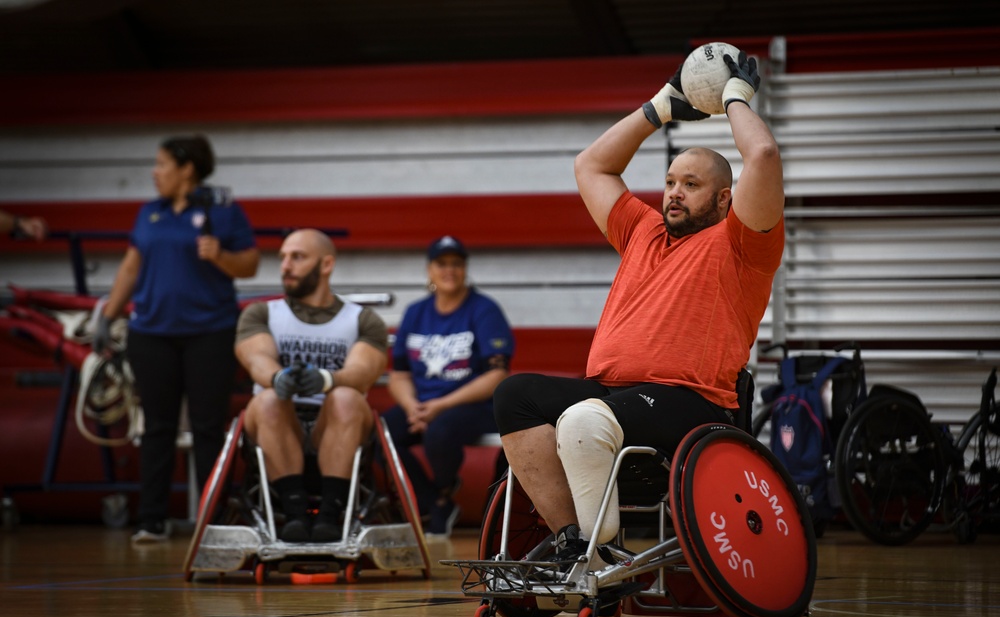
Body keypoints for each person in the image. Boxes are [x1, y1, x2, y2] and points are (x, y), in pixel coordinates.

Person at [493, 51, 784, 564]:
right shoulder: (642, 231)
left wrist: (734, 97)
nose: (673, 194)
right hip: (612, 396)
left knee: (584, 420)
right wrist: (659, 107)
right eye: (670, 181)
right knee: (514, 395)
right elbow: (591, 164)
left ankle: (599, 562)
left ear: (723, 200)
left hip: (692, 403)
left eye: (690, 186)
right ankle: (574, 545)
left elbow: (761, 157)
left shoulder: (743, 244)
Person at [96, 135, 259, 543]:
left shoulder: (224, 212)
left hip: (210, 333)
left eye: (162, 164)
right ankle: (152, 519)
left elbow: (250, 265)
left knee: (207, 429)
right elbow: (131, 268)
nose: (155, 172)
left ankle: (213, 520)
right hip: (151, 334)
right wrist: (107, 315)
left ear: (187, 169)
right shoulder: (149, 214)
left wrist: (220, 255)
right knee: (157, 428)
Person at [235, 229, 388, 543]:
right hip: (274, 426)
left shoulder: (363, 319)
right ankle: (294, 513)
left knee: (346, 396)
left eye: (297, 257)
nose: (286, 266)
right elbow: (256, 359)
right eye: (283, 258)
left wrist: (327, 380)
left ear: (327, 264)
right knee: (268, 399)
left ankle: (330, 516)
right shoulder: (262, 313)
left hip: (334, 427)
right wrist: (278, 378)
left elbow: (363, 371)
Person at [383, 236, 514, 538]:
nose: (449, 270)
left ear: (465, 268)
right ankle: (434, 501)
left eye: (456, 263)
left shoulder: (483, 310)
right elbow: (399, 373)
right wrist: (411, 406)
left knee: (439, 430)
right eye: (442, 264)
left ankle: (442, 491)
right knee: (381, 433)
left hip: (474, 405)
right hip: (423, 404)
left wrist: (440, 406)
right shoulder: (416, 311)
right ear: (429, 269)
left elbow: (497, 375)